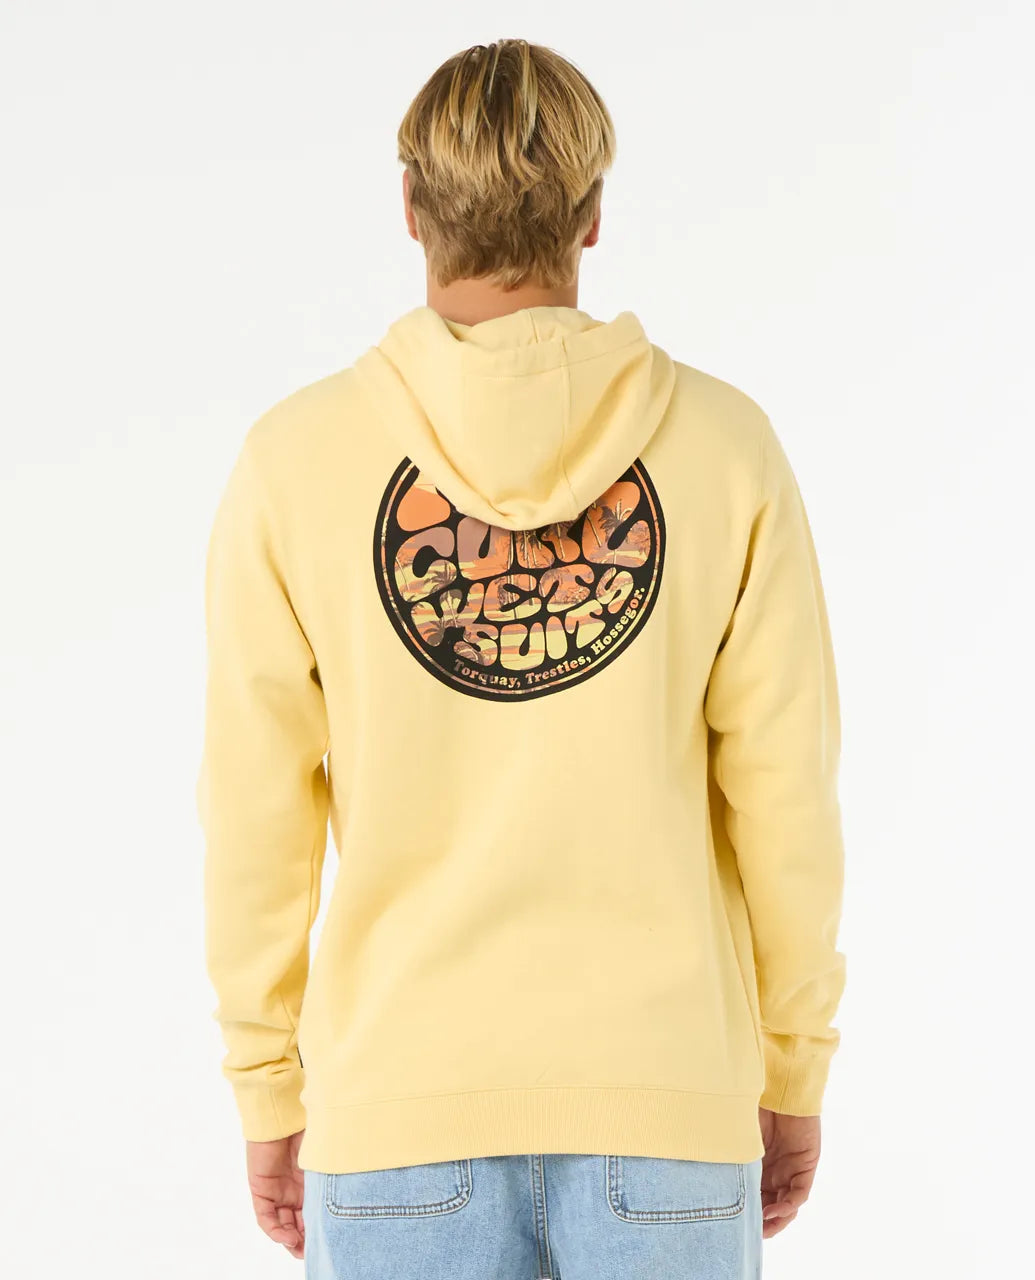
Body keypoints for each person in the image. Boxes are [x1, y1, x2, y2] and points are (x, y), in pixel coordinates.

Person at [197, 37, 846, 1280]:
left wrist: (268, 1083)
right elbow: (788, 800)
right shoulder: (725, 450)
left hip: (398, 1109)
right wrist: (792, 1064)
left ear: (409, 208)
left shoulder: (295, 461)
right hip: (665, 1104)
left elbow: (253, 812)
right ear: (593, 215)